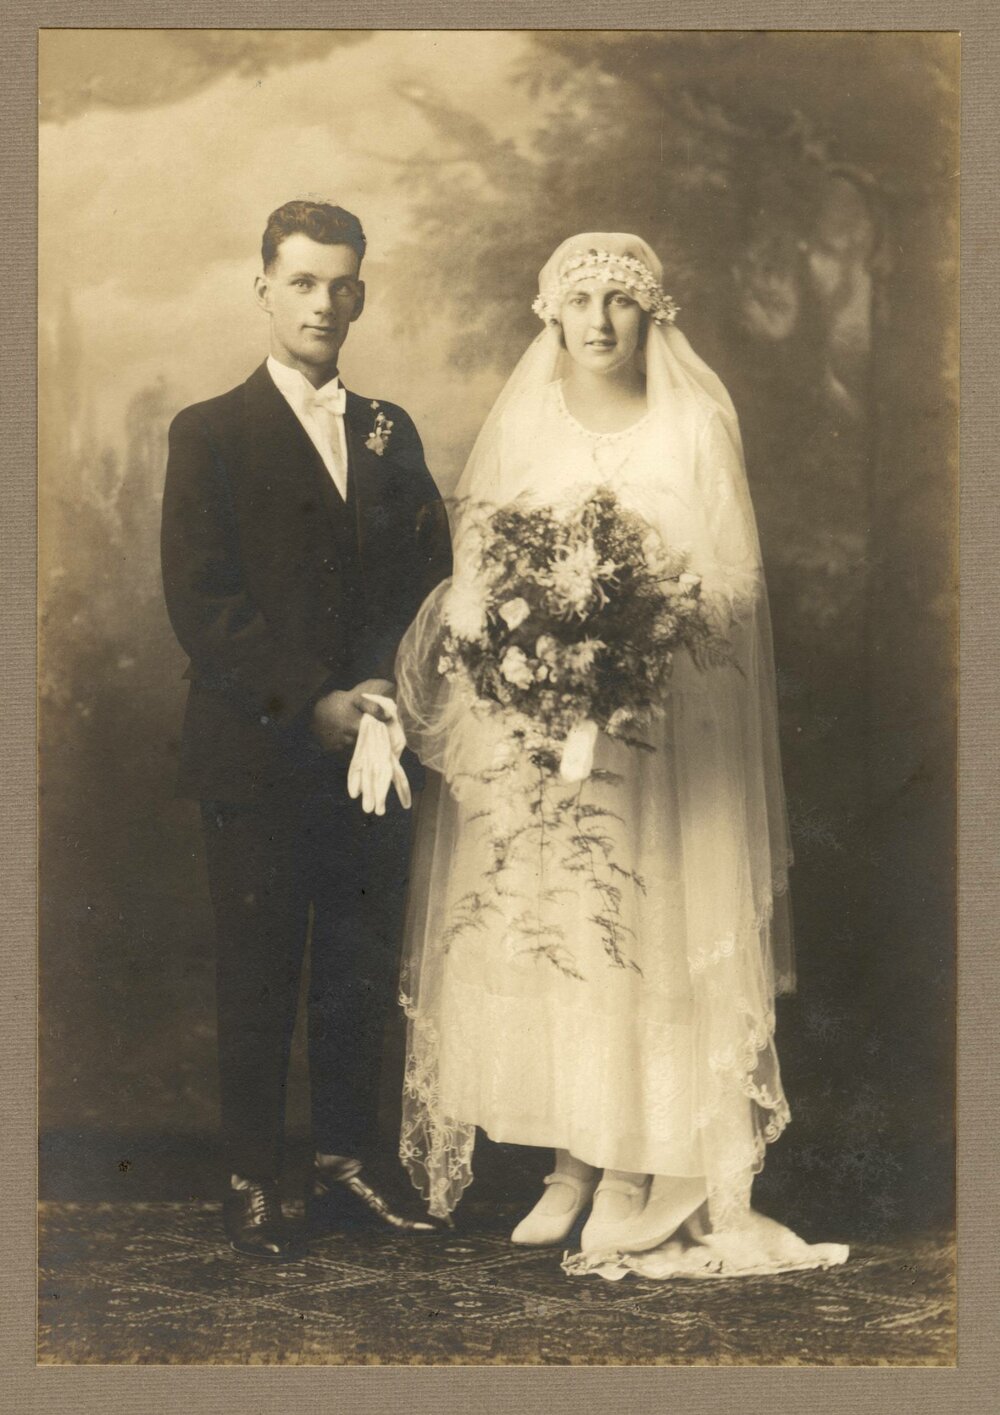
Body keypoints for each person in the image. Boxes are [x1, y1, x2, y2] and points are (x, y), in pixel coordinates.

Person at [394, 233, 848, 1279]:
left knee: (642, 926)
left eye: (622, 302)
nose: (599, 321)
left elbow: (734, 584)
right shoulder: (526, 426)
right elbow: (474, 574)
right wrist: (521, 666)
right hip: (546, 737)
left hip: (667, 736)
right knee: (560, 928)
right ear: (548, 315)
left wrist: (638, 638)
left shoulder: (691, 423)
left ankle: (640, 1160)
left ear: (656, 315)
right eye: (581, 301)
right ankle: (569, 1157)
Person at [160, 200, 451, 1258]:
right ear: (265, 290)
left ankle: (345, 1167)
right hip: (258, 750)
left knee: (358, 964)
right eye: (301, 281)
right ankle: (250, 1175)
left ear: (361, 294)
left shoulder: (390, 427)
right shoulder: (211, 432)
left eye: (341, 284)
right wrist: (310, 699)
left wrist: (383, 684)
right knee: (258, 966)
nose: (323, 302)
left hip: (374, 743)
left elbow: (430, 575)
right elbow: (204, 602)